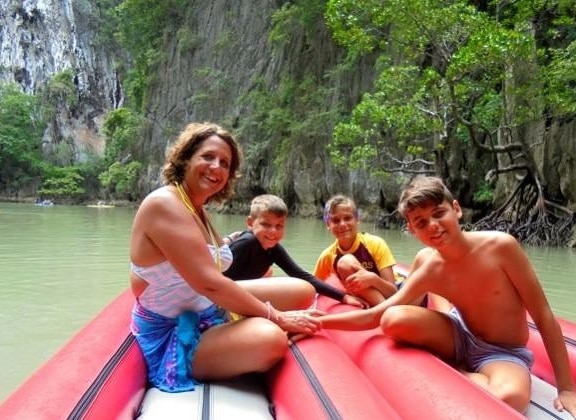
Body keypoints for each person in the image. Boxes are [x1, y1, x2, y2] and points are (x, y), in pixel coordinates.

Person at [318, 176, 576, 418]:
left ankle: (458, 374)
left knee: (510, 397)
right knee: (394, 318)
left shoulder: (501, 247)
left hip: (501, 351)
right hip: (457, 333)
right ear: (413, 231)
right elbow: (375, 316)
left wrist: (567, 388)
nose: (432, 226)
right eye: (420, 222)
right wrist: (316, 321)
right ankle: (460, 369)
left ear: (456, 210)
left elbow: (543, 315)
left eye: (439, 214)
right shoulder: (430, 266)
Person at [128, 122, 322, 393]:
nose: (217, 167)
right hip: (173, 328)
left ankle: (241, 326)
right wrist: (277, 317)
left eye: (225, 163)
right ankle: (244, 332)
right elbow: (210, 283)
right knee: (271, 339)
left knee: (301, 290)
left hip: (206, 306)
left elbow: (209, 259)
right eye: (207, 157)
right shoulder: (164, 204)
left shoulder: (195, 207)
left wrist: (230, 241)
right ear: (185, 158)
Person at [224, 194, 368, 308]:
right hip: (225, 298)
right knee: (302, 290)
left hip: (240, 293)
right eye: (266, 225)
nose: (273, 232)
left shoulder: (272, 248)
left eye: (279, 226)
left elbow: (300, 274)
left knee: (272, 274)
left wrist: (344, 297)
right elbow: (220, 280)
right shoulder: (246, 243)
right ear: (250, 223)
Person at [313, 194, 398, 307]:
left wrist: (373, 279)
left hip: (390, 294)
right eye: (336, 220)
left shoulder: (375, 244)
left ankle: (381, 309)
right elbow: (313, 285)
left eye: (347, 218)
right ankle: (382, 309)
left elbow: (393, 292)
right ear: (328, 225)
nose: (342, 224)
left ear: (357, 219)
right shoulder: (328, 256)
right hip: (375, 301)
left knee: (345, 262)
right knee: (345, 262)